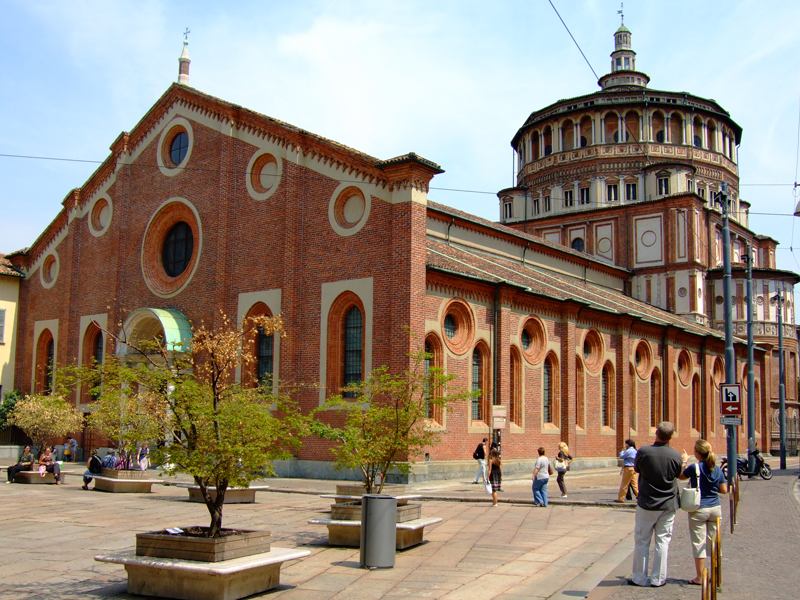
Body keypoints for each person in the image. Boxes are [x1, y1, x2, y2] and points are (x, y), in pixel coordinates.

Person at [629, 421, 689, 588]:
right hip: (668, 505)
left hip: (647, 503)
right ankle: (658, 579)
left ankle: (639, 578)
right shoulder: (676, 456)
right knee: (663, 542)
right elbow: (680, 475)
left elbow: (637, 469)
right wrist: (684, 461)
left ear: (656, 433)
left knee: (642, 540)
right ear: (671, 437)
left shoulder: (644, 452)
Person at [679, 439, 728, 586]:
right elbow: (724, 490)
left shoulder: (694, 468)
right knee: (715, 543)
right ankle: (716, 575)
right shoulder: (717, 469)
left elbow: (681, 477)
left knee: (699, 543)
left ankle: (700, 577)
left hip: (699, 509)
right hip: (715, 509)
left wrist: (684, 462)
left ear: (697, 453)